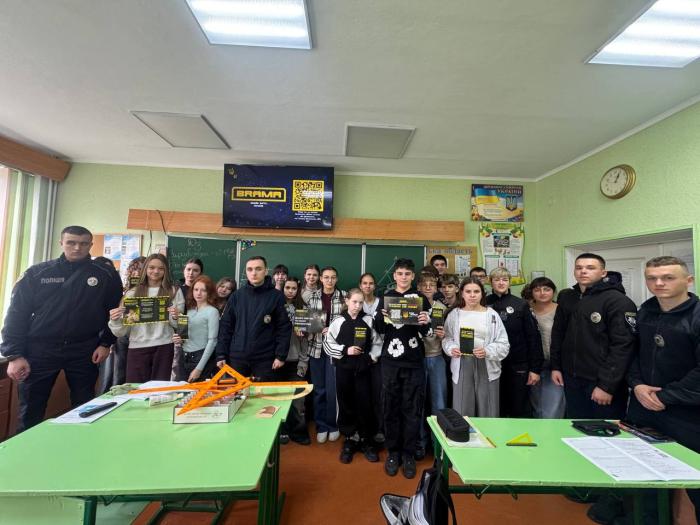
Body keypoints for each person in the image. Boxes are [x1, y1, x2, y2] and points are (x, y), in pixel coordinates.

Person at [1, 225, 123, 432]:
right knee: (30, 411)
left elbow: (114, 312)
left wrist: (105, 343)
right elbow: (16, 314)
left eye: (83, 243)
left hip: (84, 349)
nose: (77, 248)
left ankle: (79, 447)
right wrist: (14, 355)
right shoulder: (37, 273)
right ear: (61, 243)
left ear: (90, 245)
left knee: (85, 408)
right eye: (71, 243)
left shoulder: (106, 274)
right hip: (40, 349)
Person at [625, 256, 700, 523]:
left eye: (668, 277)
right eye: (652, 278)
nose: (658, 283)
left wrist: (663, 396)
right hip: (644, 408)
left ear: (688, 280)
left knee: (695, 481)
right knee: (642, 477)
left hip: (687, 414)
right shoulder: (645, 312)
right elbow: (633, 354)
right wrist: (637, 385)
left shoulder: (696, 316)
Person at [550, 252, 637, 420]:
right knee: (575, 425)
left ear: (603, 273)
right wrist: (556, 366)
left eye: (590, 268)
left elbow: (623, 346)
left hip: (601, 382)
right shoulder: (568, 297)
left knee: (605, 429)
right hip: (572, 379)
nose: (583, 271)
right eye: (579, 268)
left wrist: (606, 386)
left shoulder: (617, 301)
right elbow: (558, 334)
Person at [374, 258, 431, 479]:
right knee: (390, 407)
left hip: (414, 361)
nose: (404, 277)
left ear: (413, 276)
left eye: (407, 273)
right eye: (400, 273)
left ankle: (408, 453)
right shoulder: (386, 298)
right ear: (394, 276)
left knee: (412, 408)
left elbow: (428, 333)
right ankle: (393, 452)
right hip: (390, 361)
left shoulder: (421, 299)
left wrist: (425, 322)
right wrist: (382, 317)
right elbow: (379, 329)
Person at [108, 254, 185, 383]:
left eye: (161, 268)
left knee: (159, 389)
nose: (156, 271)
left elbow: (181, 326)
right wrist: (115, 320)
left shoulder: (174, 291)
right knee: (136, 388)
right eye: (152, 267)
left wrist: (177, 316)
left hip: (164, 346)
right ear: (145, 269)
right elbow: (122, 331)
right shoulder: (132, 293)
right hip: (137, 346)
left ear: (166, 270)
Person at [324, 288, 380, 464]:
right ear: (347, 301)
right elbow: (327, 344)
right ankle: (350, 439)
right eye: (354, 302)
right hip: (344, 370)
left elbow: (378, 343)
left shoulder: (368, 320)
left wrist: (370, 358)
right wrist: (344, 350)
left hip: (364, 371)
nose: (357, 306)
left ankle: (366, 439)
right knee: (346, 402)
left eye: (360, 303)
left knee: (365, 403)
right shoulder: (338, 321)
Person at [215, 256, 291, 381]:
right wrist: (221, 354)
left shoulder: (276, 297)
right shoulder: (236, 296)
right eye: (249, 269)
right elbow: (226, 327)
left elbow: (284, 328)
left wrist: (280, 356)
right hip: (237, 357)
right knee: (235, 392)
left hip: (265, 359)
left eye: (258, 269)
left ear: (266, 271)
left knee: (263, 393)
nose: (254, 273)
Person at [442, 278, 509, 417]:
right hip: (462, 365)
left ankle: (487, 431)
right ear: (462, 293)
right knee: (462, 409)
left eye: (476, 291)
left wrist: (487, 351)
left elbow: (503, 343)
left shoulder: (491, 315)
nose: (472, 295)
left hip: (487, 364)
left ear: (482, 293)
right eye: (468, 291)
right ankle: (464, 431)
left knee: (488, 409)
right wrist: (452, 348)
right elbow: (447, 338)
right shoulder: (454, 314)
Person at [486, 268, 543, 418]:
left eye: (505, 280)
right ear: (490, 282)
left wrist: (535, 369)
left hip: (517, 363)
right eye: (497, 280)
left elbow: (533, 337)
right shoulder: (484, 303)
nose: (501, 283)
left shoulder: (521, 304)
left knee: (518, 407)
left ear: (510, 282)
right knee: (495, 406)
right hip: (491, 362)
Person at [306, 266, 345, 443]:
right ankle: (321, 426)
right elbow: (307, 323)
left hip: (335, 350)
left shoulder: (344, 297)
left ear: (337, 279)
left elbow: (349, 322)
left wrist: (333, 330)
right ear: (321, 279)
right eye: (326, 277)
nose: (330, 280)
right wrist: (303, 329)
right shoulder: (311, 297)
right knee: (319, 390)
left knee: (333, 390)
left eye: (333, 277)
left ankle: (333, 425)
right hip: (316, 349)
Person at [416, 271, 447, 459]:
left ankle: (438, 444)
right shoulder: (412, 305)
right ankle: (420, 442)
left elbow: (450, 335)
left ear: (436, 288)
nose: (428, 287)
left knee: (439, 402)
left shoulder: (442, 308)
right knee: (418, 403)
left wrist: (444, 335)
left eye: (432, 284)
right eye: (424, 284)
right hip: (417, 359)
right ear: (418, 287)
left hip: (436, 357)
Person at [279, 277, 311, 445]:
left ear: (298, 290)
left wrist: (303, 362)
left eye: (294, 288)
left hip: (296, 360)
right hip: (278, 360)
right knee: (279, 398)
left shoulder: (303, 310)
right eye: (287, 288)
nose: (290, 291)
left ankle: (298, 431)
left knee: (298, 401)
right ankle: (282, 430)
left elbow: (305, 341)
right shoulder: (276, 306)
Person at [529, 277, 565, 418]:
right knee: (536, 407)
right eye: (537, 289)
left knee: (553, 408)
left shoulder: (561, 310)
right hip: (533, 365)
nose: (542, 293)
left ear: (553, 292)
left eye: (546, 289)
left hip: (555, 365)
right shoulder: (526, 309)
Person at [171, 275, 219, 382]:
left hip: (200, 357)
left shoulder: (212, 312)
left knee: (198, 390)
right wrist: (179, 340)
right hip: (184, 356)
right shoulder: (190, 310)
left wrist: (199, 368)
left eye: (203, 290)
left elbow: (212, 341)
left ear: (209, 292)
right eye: (196, 289)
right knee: (183, 389)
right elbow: (186, 336)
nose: (199, 293)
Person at [360, 272, 385, 444]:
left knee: (378, 393)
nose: (367, 286)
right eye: (364, 283)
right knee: (362, 394)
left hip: (379, 355)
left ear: (374, 286)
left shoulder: (381, 303)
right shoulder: (356, 302)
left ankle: (379, 429)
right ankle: (363, 430)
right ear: (360, 285)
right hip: (360, 356)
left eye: (370, 283)